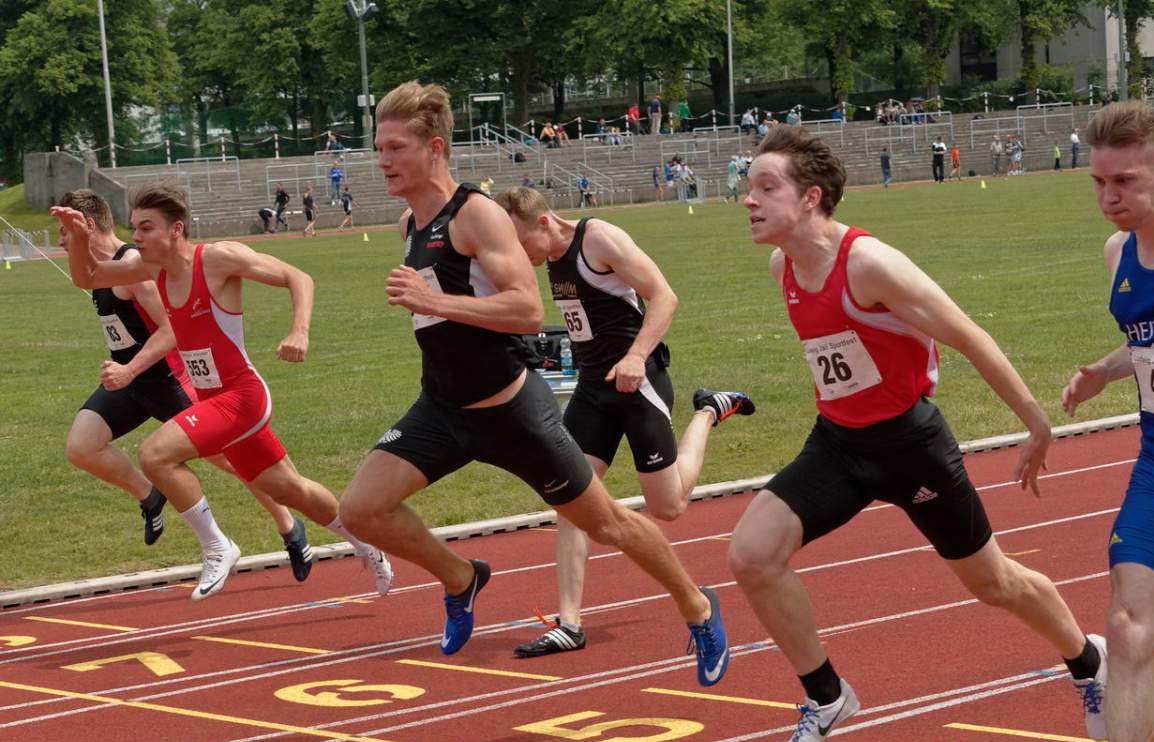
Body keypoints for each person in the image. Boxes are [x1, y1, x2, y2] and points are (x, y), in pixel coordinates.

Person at [733, 125, 1104, 742]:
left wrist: (1036, 423)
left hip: (910, 445)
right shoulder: (781, 266)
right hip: (838, 442)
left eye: (766, 187)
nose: (749, 199)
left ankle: (1088, 660)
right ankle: (827, 697)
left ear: (811, 197)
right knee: (750, 555)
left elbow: (969, 335)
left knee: (993, 582)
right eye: (749, 187)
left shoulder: (869, 265)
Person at [335, 81, 729, 684]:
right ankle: (461, 578)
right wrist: (433, 305)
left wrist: (434, 301)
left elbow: (525, 309)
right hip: (441, 409)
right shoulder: (409, 224)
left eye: (394, 148)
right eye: (378, 148)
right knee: (360, 510)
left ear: (434, 148)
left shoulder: (477, 215)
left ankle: (699, 608)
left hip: (511, 412)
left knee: (605, 523)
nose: (381, 161)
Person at [52, 184, 394, 601]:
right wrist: (79, 238)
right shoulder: (151, 269)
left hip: (242, 395)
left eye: (146, 227)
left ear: (176, 229)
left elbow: (298, 277)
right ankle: (365, 542)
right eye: (134, 227)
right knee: (291, 489)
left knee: (155, 454)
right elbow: (87, 277)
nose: (136, 237)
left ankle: (218, 546)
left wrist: (299, 331)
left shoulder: (216, 258)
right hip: (213, 399)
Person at [496, 186, 755, 657]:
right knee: (573, 499)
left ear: (544, 223)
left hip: (639, 385)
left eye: (519, 241)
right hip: (594, 390)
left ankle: (708, 411)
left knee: (668, 506)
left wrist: (636, 356)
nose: (516, 253)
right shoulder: (547, 257)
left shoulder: (598, 239)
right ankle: (569, 623)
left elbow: (664, 296)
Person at [1061, 100, 1154, 742]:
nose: (1109, 197)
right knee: (1126, 628)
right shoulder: (1118, 253)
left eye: (1124, 181)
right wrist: (1104, 371)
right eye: (1099, 182)